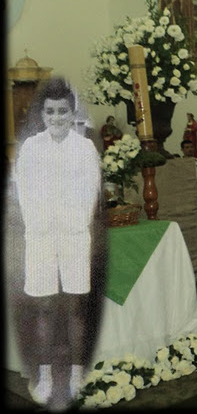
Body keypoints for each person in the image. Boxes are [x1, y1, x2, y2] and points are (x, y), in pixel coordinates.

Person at [13, 76, 104, 407]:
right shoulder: (31, 147)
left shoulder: (84, 148)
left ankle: (78, 370)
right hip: (40, 236)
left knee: (76, 306)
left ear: (72, 112)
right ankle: (45, 374)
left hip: (74, 234)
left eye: (62, 112)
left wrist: (73, 221)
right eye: (50, 112)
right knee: (44, 306)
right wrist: (42, 222)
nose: (56, 118)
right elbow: (25, 192)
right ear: (42, 114)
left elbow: (90, 190)